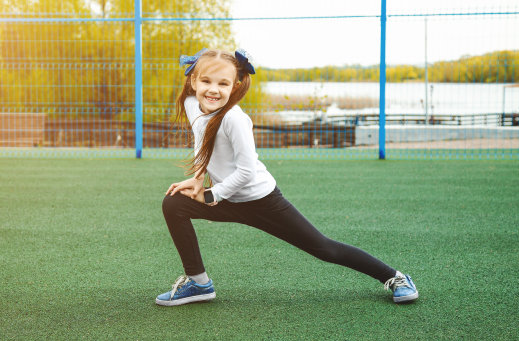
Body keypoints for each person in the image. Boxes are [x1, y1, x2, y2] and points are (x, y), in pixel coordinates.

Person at [156, 48, 419, 306]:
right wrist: (198, 179)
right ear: (193, 81)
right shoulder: (193, 105)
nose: (213, 89)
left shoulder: (235, 119)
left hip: (260, 200)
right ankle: (198, 283)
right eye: (206, 81)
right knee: (174, 203)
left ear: (235, 86)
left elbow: (247, 172)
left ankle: (395, 277)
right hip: (226, 198)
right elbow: (202, 140)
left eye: (222, 83)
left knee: (324, 248)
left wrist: (213, 194)